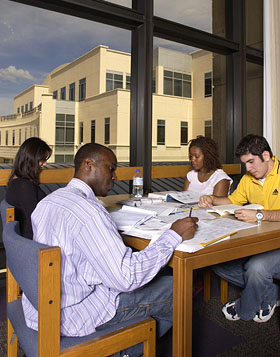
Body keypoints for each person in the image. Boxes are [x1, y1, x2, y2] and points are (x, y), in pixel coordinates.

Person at [22, 143, 198, 357]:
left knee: (150, 273)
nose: (115, 176)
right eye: (111, 168)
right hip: (75, 315)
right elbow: (126, 278)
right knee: (179, 286)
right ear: (88, 165)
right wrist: (174, 235)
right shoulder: (89, 213)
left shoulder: (49, 201)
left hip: (40, 308)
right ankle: (120, 348)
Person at [199, 134, 280, 323]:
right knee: (219, 262)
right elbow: (231, 201)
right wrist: (211, 199)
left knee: (257, 268)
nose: (248, 169)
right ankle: (271, 294)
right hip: (262, 242)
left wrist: (261, 215)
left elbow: (264, 214)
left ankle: (245, 309)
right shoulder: (248, 179)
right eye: (245, 164)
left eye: (251, 162)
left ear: (266, 156)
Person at [5, 137, 52, 239]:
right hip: (33, 243)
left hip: (27, 242)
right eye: (42, 160)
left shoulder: (17, 181)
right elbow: (32, 222)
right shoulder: (24, 187)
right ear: (31, 159)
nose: (45, 164)